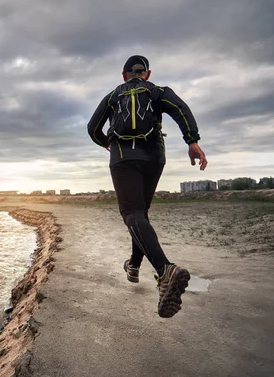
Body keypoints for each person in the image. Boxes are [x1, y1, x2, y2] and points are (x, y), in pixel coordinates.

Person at [87, 55, 207, 318]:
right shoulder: (157, 91)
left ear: (124, 75)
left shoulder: (112, 96)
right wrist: (192, 141)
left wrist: (106, 142)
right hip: (154, 158)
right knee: (139, 214)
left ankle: (165, 270)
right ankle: (133, 266)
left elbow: (92, 127)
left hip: (123, 158)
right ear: (147, 74)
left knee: (131, 214)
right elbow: (181, 109)